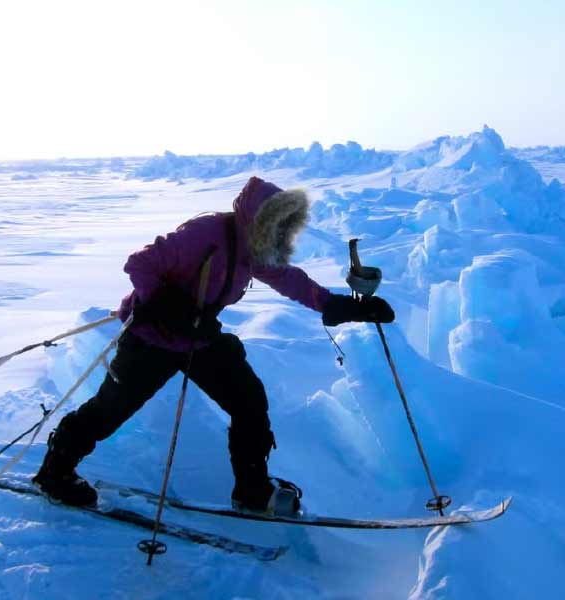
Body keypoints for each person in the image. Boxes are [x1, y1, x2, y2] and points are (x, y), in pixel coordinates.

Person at [33, 176, 394, 515]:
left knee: (248, 400)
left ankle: (252, 491)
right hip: (151, 338)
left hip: (200, 337)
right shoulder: (205, 233)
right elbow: (140, 263)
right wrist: (166, 304)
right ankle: (55, 471)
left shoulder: (254, 249)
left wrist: (334, 305)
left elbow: (287, 279)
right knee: (110, 409)